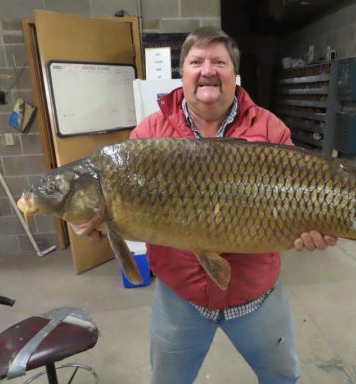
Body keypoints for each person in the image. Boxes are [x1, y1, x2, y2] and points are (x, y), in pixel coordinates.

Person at [128, 27, 336, 383]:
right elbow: (127, 204)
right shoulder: (149, 133)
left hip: (256, 295)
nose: (207, 69)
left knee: (283, 378)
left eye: (218, 62)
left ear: (233, 73)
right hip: (180, 298)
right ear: (183, 72)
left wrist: (315, 229)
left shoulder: (271, 129)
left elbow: (304, 197)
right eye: (196, 61)